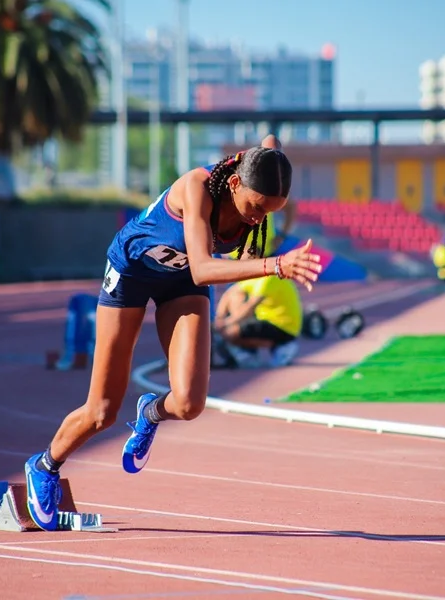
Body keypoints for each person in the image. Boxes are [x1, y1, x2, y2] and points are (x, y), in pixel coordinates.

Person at [23, 137, 322, 531]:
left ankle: (149, 411)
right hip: (133, 273)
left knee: (189, 403)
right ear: (234, 185)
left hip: (179, 283)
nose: (257, 219)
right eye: (255, 207)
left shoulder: (257, 185)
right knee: (101, 412)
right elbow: (202, 268)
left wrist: (273, 152)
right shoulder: (196, 188)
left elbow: (270, 147)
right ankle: (44, 465)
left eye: (271, 211)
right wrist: (277, 264)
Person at [211, 259, 303, 369]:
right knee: (236, 296)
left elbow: (250, 307)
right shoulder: (256, 277)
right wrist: (219, 317)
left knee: (230, 332)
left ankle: (282, 346)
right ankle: (248, 351)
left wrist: (225, 324)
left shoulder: (270, 278)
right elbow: (230, 293)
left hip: (283, 327)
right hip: (267, 320)